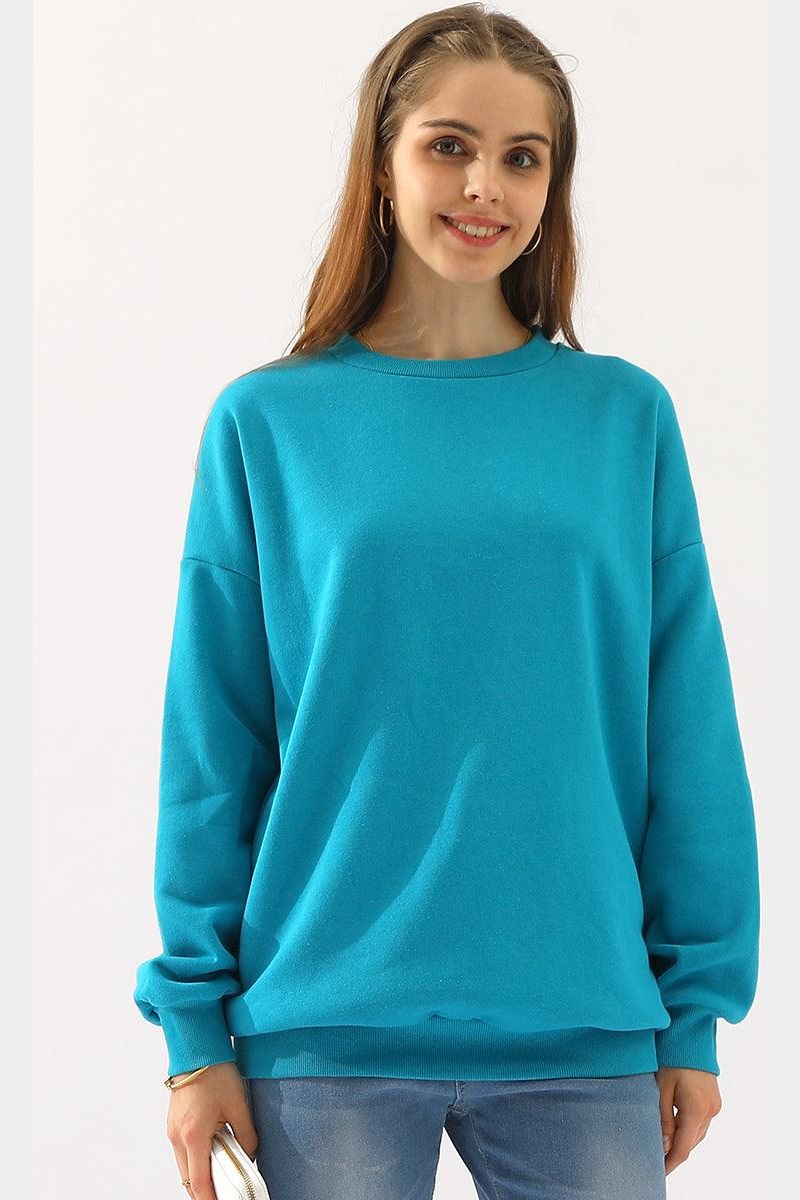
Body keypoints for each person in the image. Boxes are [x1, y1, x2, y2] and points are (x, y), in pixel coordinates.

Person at [133, 5, 761, 1198]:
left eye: (522, 157)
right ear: (382, 165)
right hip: (324, 1028)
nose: (485, 187)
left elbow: (687, 727)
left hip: (582, 1024)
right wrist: (193, 1034)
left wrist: (693, 1010)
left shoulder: (620, 419)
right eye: (448, 146)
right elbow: (213, 745)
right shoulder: (268, 423)